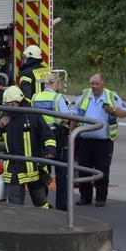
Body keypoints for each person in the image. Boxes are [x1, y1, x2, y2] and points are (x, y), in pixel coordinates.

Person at [70, 72, 126, 208]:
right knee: (84, 169)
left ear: (103, 84)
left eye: (97, 84)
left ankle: (101, 198)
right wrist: (71, 134)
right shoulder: (85, 95)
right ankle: (85, 197)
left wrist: (113, 110)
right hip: (86, 140)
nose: (94, 86)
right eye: (92, 83)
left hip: (103, 142)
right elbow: (76, 114)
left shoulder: (111, 96)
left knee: (102, 170)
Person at [0, 85, 56, 208]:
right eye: (6, 105)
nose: (9, 108)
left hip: (33, 167)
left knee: (40, 202)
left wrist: (50, 150)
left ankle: (46, 223)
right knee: (14, 205)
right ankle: (17, 226)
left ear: (18, 101)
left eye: (11, 104)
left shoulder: (32, 115)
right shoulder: (5, 115)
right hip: (13, 168)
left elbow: (48, 134)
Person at [31, 73, 71, 211]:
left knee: (43, 171)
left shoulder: (36, 97)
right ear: (56, 84)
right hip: (56, 136)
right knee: (61, 172)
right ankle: (62, 205)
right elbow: (66, 117)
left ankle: (43, 203)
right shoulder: (57, 97)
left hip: (41, 138)